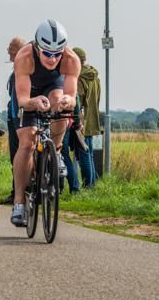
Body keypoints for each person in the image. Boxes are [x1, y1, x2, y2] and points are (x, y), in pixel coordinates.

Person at [10, 20, 81, 227]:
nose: (53, 58)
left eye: (57, 53)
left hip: (53, 86)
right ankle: (19, 202)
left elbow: (72, 95)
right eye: (47, 53)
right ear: (38, 47)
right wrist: (33, 102)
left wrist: (68, 100)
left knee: (60, 103)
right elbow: (23, 99)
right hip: (27, 92)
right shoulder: (24, 57)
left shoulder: (71, 60)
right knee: (27, 142)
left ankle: (56, 152)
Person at [2, 36, 26, 204]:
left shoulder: (21, 70)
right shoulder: (18, 70)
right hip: (16, 116)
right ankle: (18, 191)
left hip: (19, 118)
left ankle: (18, 194)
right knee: (17, 157)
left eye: (11, 47)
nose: (8, 50)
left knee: (18, 157)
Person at [73, 47, 101, 187]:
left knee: (84, 154)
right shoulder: (94, 76)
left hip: (82, 122)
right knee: (89, 154)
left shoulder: (79, 78)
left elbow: (78, 102)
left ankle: (87, 186)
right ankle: (92, 184)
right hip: (93, 119)